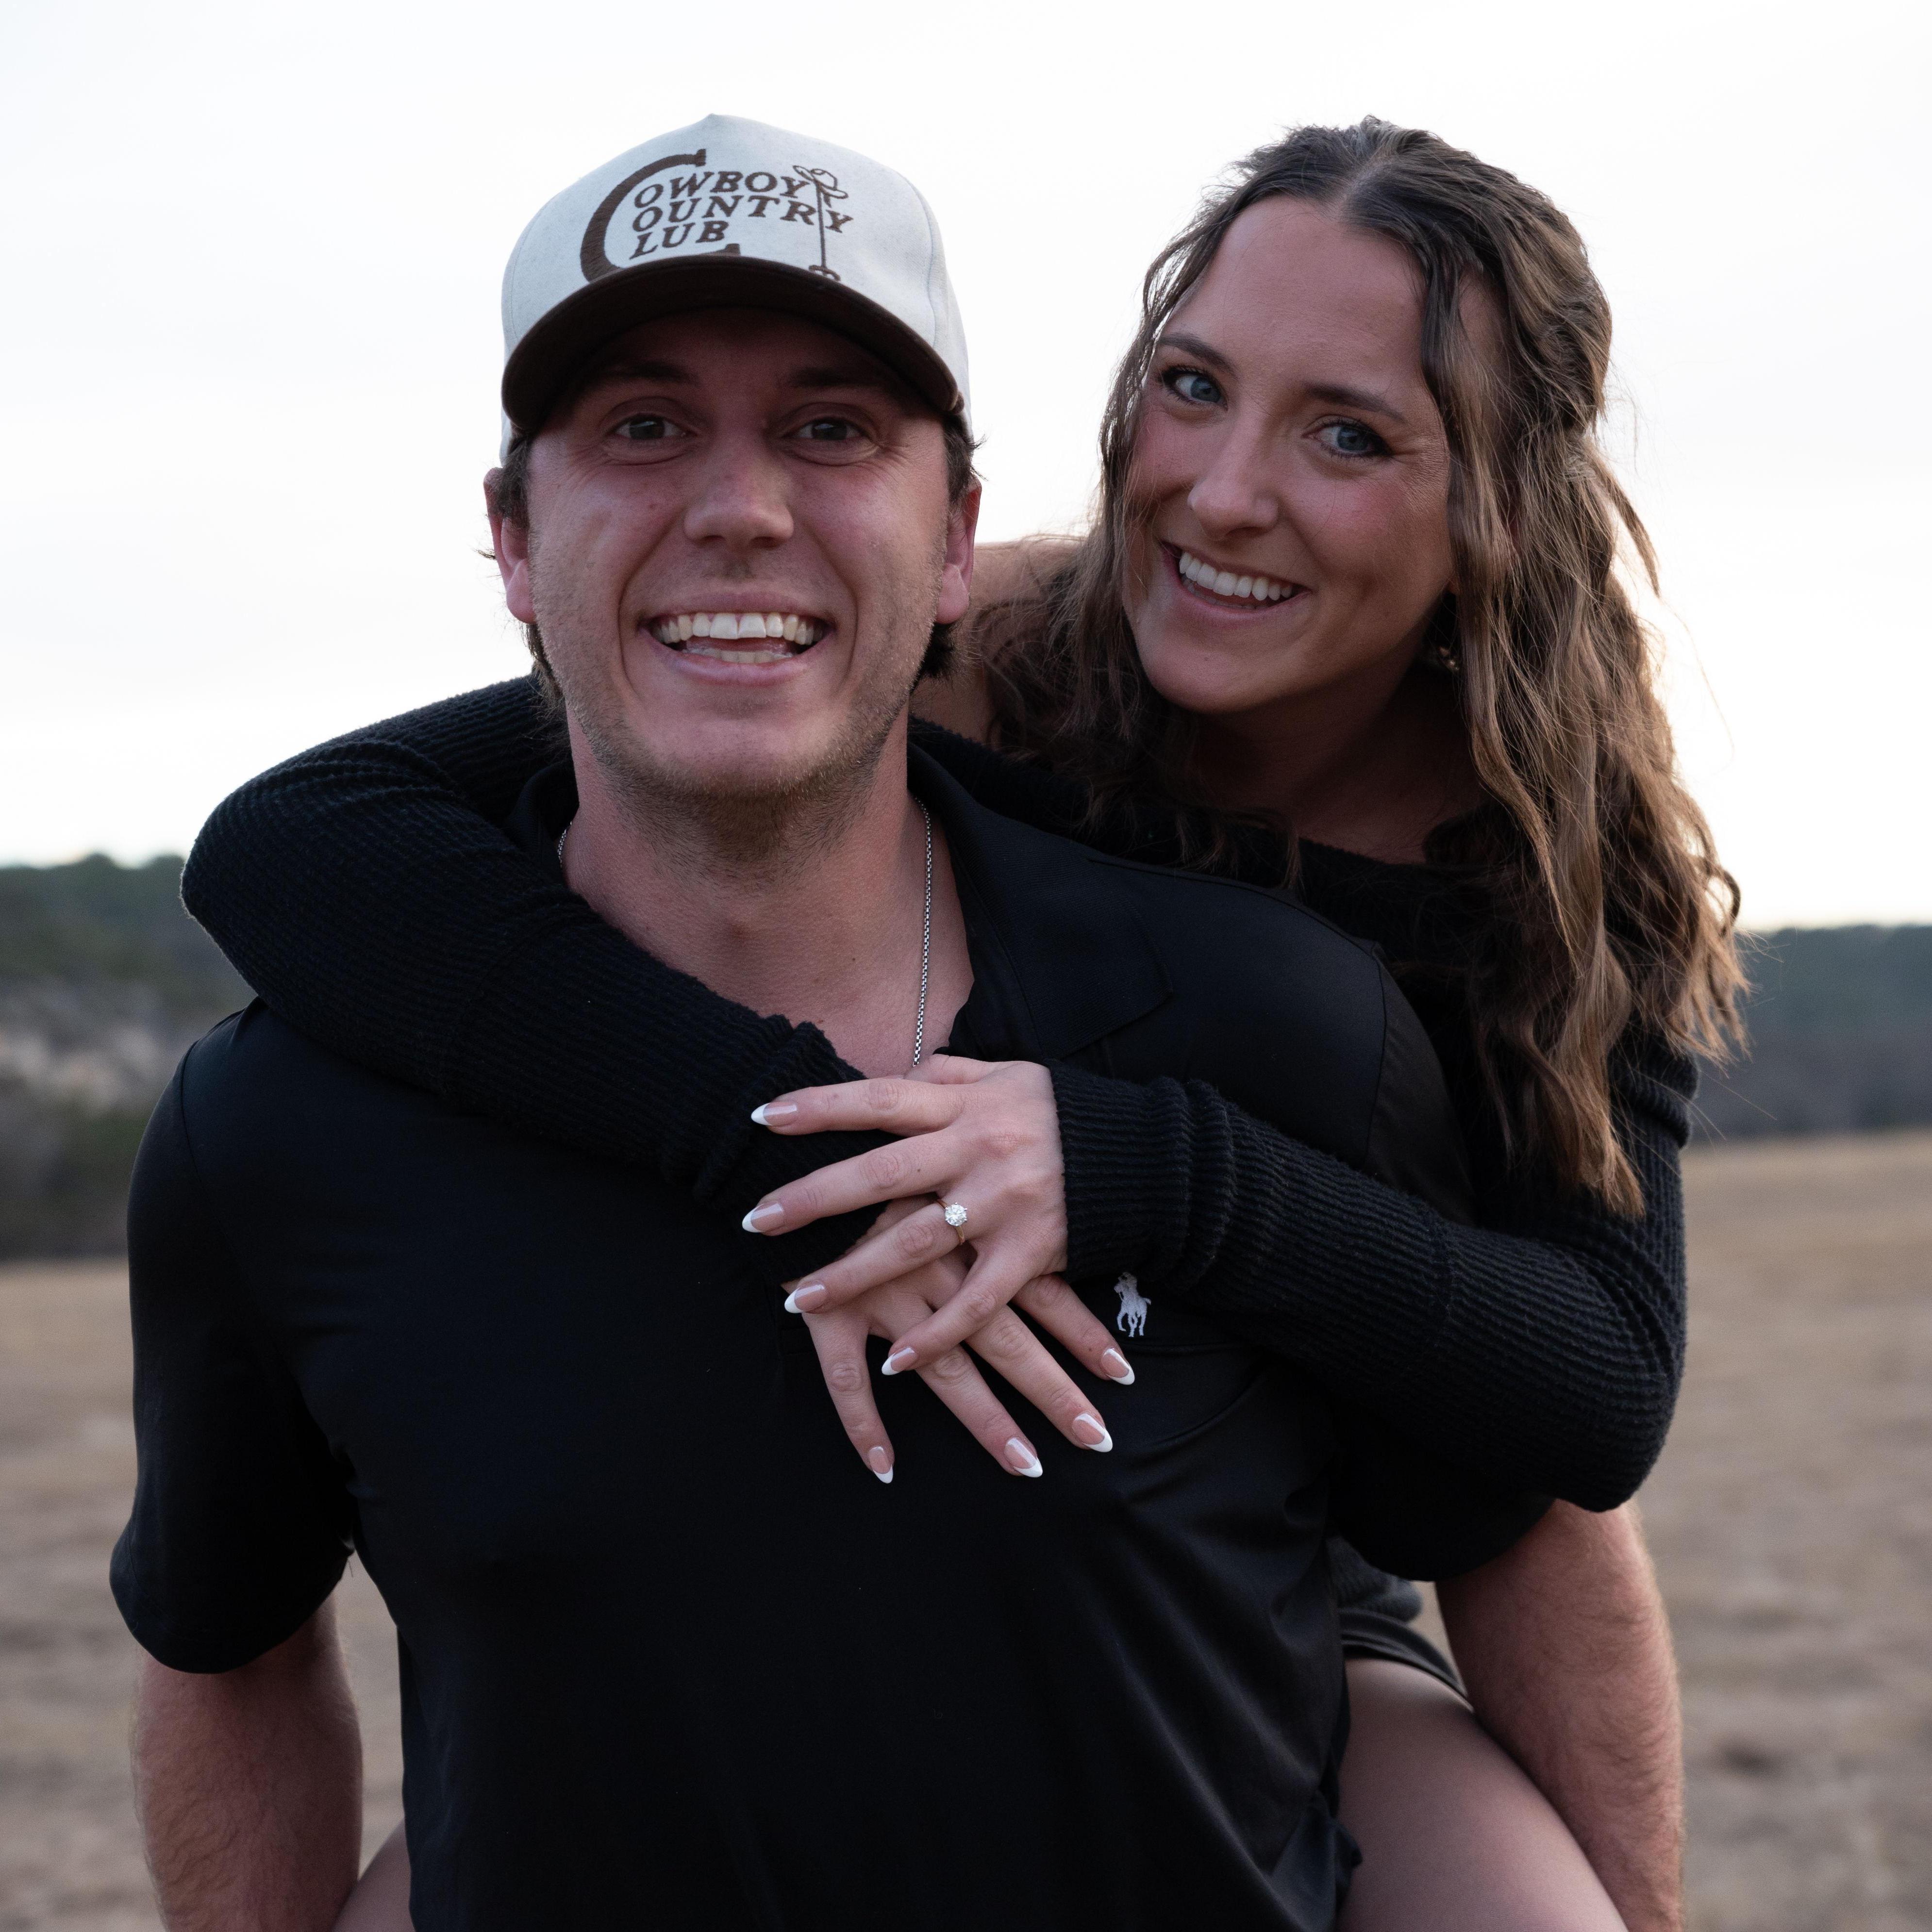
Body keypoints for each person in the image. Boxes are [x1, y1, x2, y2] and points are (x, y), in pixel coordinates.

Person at [173, 118, 1723, 1932]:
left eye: (1349, 435)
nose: (1222, 494)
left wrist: (1144, 1168)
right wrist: (790, 1129)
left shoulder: (1543, 861)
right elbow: (297, 844)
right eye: (1191, 388)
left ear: (1498, 502)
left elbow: (1589, 1390)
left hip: (1278, 1522)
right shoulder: (972, 653)